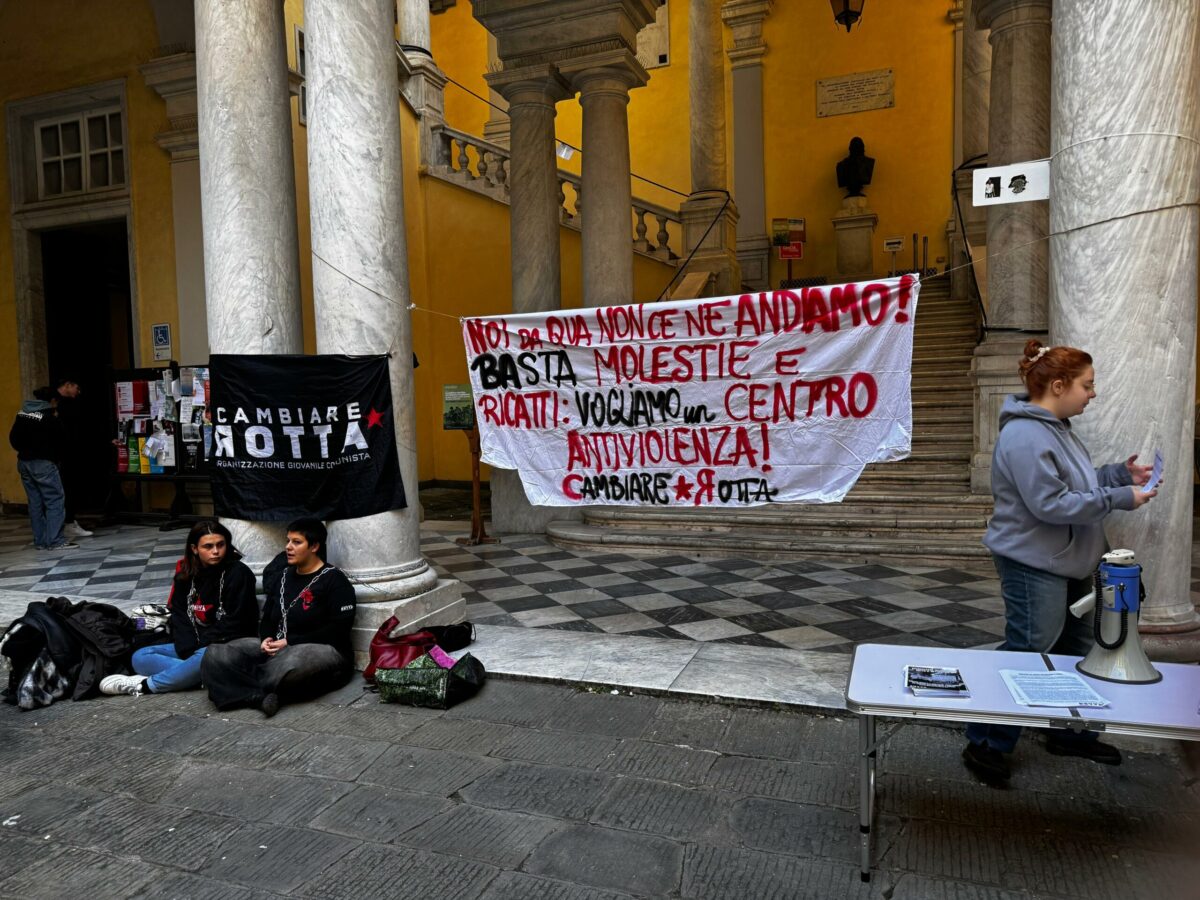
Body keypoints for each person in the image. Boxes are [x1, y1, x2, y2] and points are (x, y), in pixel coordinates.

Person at [963, 341, 1157, 784]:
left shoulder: (1057, 427)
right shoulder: (1027, 435)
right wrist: (1120, 498)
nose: (1093, 393)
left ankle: (1070, 731)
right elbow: (1051, 504)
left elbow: (1074, 483)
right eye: (1087, 385)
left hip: (1065, 560)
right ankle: (985, 739)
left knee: (1078, 649)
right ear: (1058, 385)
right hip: (1034, 563)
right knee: (1028, 651)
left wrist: (1116, 476)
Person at [200, 517, 356, 716]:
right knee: (215, 654)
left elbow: (338, 630)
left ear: (314, 546)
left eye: (296, 542)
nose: (288, 547)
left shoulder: (334, 580)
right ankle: (259, 697)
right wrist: (266, 637)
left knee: (292, 663)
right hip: (276, 649)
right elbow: (268, 618)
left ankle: (237, 686)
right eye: (288, 541)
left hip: (321, 648)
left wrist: (290, 641)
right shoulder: (283, 576)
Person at [98, 520, 257, 696]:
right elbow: (179, 615)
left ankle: (145, 686)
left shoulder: (239, 573)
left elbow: (237, 622)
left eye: (221, 545)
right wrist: (188, 646)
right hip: (193, 645)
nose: (216, 551)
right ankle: (201, 676)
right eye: (208, 546)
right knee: (140, 657)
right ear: (194, 549)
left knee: (205, 657)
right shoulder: (186, 574)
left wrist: (200, 646)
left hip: (226, 645)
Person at [8, 387, 75, 551]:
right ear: (52, 401)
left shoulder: (22, 414)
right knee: (54, 500)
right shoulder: (49, 417)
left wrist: (26, 451)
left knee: (35, 502)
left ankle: (40, 540)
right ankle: (55, 540)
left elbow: (13, 438)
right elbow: (62, 440)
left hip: (24, 462)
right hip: (43, 464)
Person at [53, 377, 93, 539]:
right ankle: (65, 525)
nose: (78, 391)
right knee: (63, 490)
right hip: (59, 456)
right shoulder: (56, 406)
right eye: (76, 386)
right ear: (67, 385)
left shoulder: (29, 413)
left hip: (51, 455)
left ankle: (55, 528)